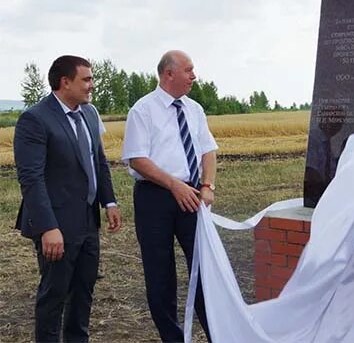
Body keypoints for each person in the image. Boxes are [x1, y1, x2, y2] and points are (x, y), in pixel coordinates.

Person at [14, 55, 122, 342]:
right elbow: (31, 179)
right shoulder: (35, 119)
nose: (92, 86)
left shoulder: (88, 113)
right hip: (57, 224)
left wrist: (108, 202)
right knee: (54, 295)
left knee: (83, 291)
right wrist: (48, 227)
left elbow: (97, 160)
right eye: (86, 79)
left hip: (88, 221)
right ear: (65, 82)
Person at [122, 50, 217, 342]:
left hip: (193, 193)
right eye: (188, 70)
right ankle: (173, 338)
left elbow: (207, 150)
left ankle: (217, 332)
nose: (194, 75)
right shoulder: (143, 110)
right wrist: (173, 185)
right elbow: (137, 158)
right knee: (160, 272)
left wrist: (207, 186)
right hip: (155, 197)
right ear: (168, 74)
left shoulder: (195, 109)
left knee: (203, 266)